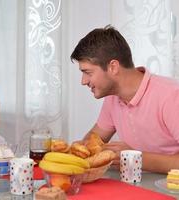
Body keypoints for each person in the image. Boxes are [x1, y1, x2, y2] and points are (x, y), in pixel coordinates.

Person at [70, 25, 179, 174]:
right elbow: (94, 139)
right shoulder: (113, 98)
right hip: (136, 186)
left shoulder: (171, 95)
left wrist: (134, 157)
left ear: (113, 67)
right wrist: (80, 149)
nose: (83, 81)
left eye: (88, 72)